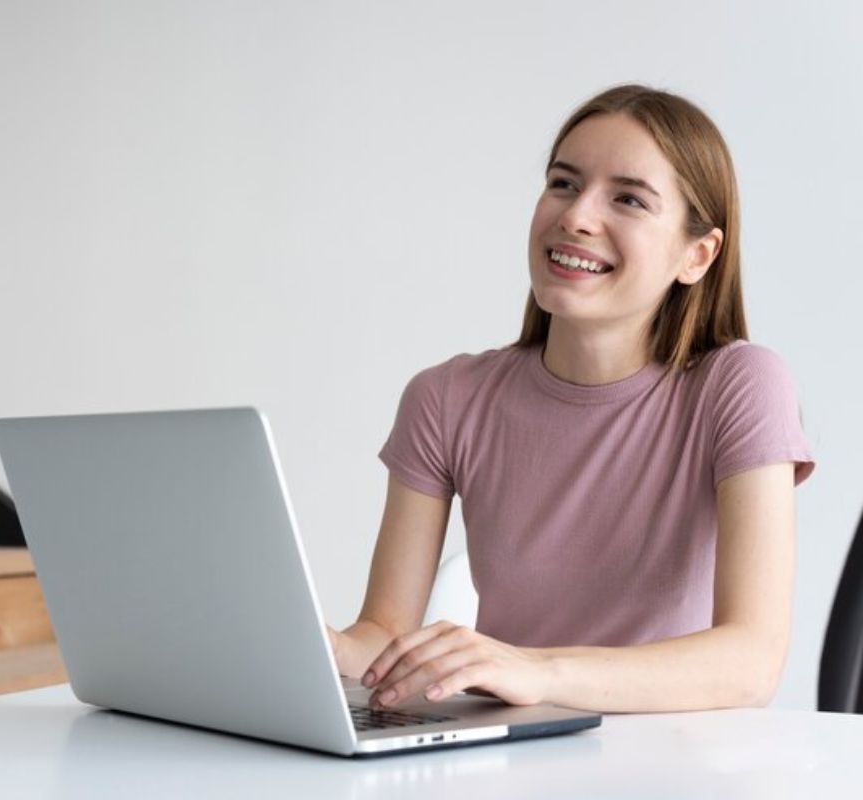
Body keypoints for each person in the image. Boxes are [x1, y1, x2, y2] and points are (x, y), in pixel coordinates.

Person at [326, 83, 815, 714]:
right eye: (562, 183)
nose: (577, 215)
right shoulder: (445, 398)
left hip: (680, 761)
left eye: (629, 199)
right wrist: (324, 649)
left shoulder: (740, 386)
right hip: (522, 756)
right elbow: (385, 637)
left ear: (698, 254)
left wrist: (534, 669)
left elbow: (750, 662)